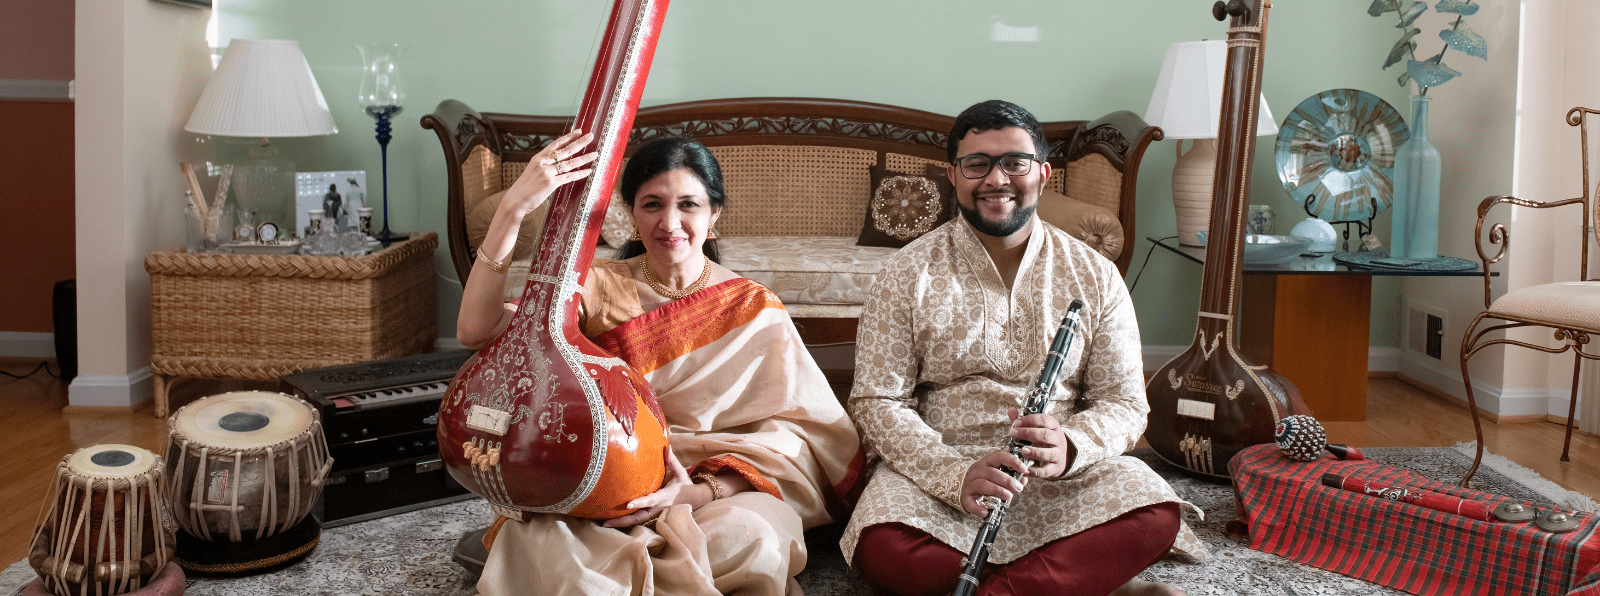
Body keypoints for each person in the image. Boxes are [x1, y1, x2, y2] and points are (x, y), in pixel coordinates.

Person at [455, 132, 864, 596]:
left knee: (755, 542)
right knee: (552, 548)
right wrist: (513, 208)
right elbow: (475, 329)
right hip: (605, 490)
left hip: (715, 489)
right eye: (652, 204)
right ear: (632, 216)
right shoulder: (594, 287)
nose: (670, 222)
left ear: (714, 217)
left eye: (689, 204)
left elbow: (800, 437)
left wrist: (697, 491)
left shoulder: (752, 306)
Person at [841, 100, 1206, 596]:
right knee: (883, 543)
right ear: (954, 175)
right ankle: (1077, 584)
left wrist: (1071, 445)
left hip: (1059, 474)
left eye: (1014, 162)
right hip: (944, 468)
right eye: (977, 164)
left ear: (1043, 173)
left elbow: (1125, 403)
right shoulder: (907, 272)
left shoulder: (1094, 273)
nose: (997, 179)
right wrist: (956, 474)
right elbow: (877, 401)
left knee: (1154, 512)